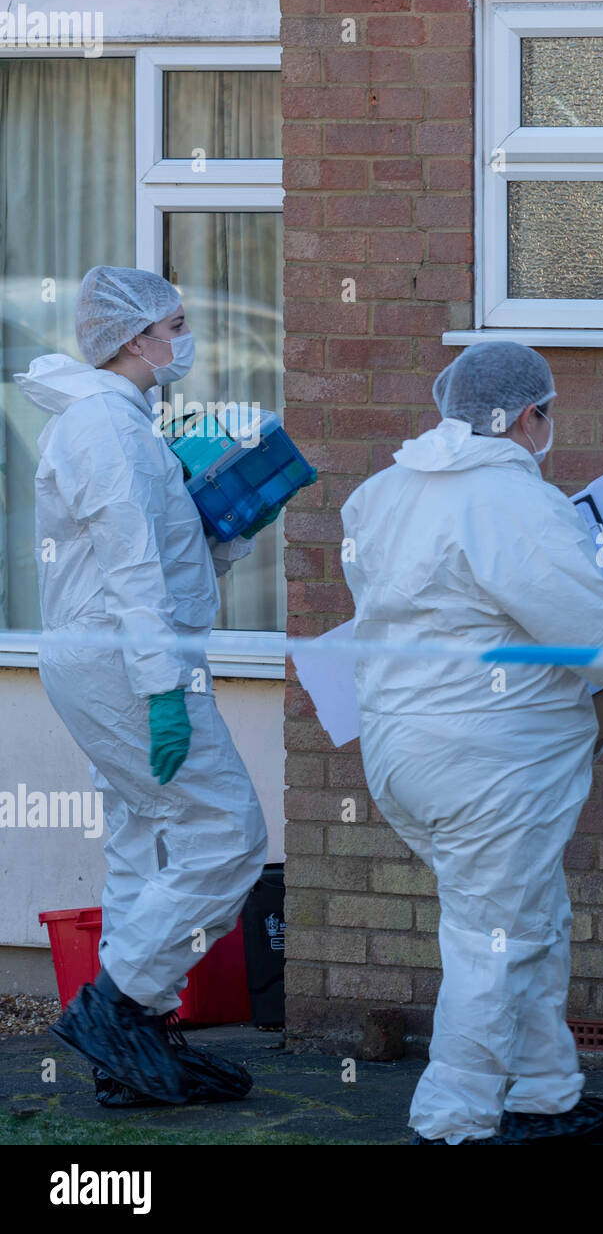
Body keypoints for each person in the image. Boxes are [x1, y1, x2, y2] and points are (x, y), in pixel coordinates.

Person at [341, 341, 603, 1145]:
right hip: (489, 760)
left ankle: (546, 1092)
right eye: (545, 413)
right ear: (527, 416)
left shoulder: (381, 494)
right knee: (496, 939)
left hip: (403, 751)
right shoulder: (510, 503)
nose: (547, 427)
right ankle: (452, 1123)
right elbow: (588, 626)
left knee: (529, 918)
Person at [17, 266, 276, 1104]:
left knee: (146, 840)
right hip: (126, 663)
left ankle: (136, 1046)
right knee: (228, 834)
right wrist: (163, 689)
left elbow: (160, 556)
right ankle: (117, 1005)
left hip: (123, 657)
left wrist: (228, 528)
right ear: (135, 337)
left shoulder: (128, 423)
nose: (184, 338)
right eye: (175, 324)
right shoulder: (105, 429)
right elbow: (130, 566)